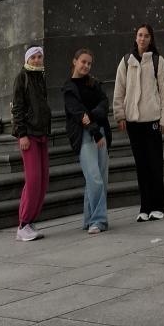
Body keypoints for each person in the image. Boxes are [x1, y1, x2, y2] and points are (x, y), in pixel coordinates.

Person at [113, 23, 164, 222]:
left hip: (152, 119)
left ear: (151, 39)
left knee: (155, 163)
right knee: (141, 166)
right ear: (135, 37)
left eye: (146, 36)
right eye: (140, 35)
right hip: (133, 121)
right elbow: (119, 90)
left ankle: (159, 206)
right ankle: (145, 207)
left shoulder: (157, 61)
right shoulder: (126, 61)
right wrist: (120, 115)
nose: (142, 38)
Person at [62, 48, 112, 235]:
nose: (86, 66)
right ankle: (99, 221)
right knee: (94, 178)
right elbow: (78, 112)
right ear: (74, 61)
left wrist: (92, 116)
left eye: (89, 63)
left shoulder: (94, 83)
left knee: (101, 179)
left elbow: (104, 103)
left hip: (101, 132)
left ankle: (89, 218)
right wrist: (94, 130)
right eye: (83, 61)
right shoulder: (68, 88)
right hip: (85, 136)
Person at [11, 45, 51, 242]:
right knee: (33, 179)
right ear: (27, 59)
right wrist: (22, 134)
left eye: (39, 57)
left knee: (43, 180)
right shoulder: (22, 77)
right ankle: (23, 223)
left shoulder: (40, 77)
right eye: (33, 57)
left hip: (41, 133)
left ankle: (30, 221)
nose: (36, 60)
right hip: (29, 135)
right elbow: (17, 107)